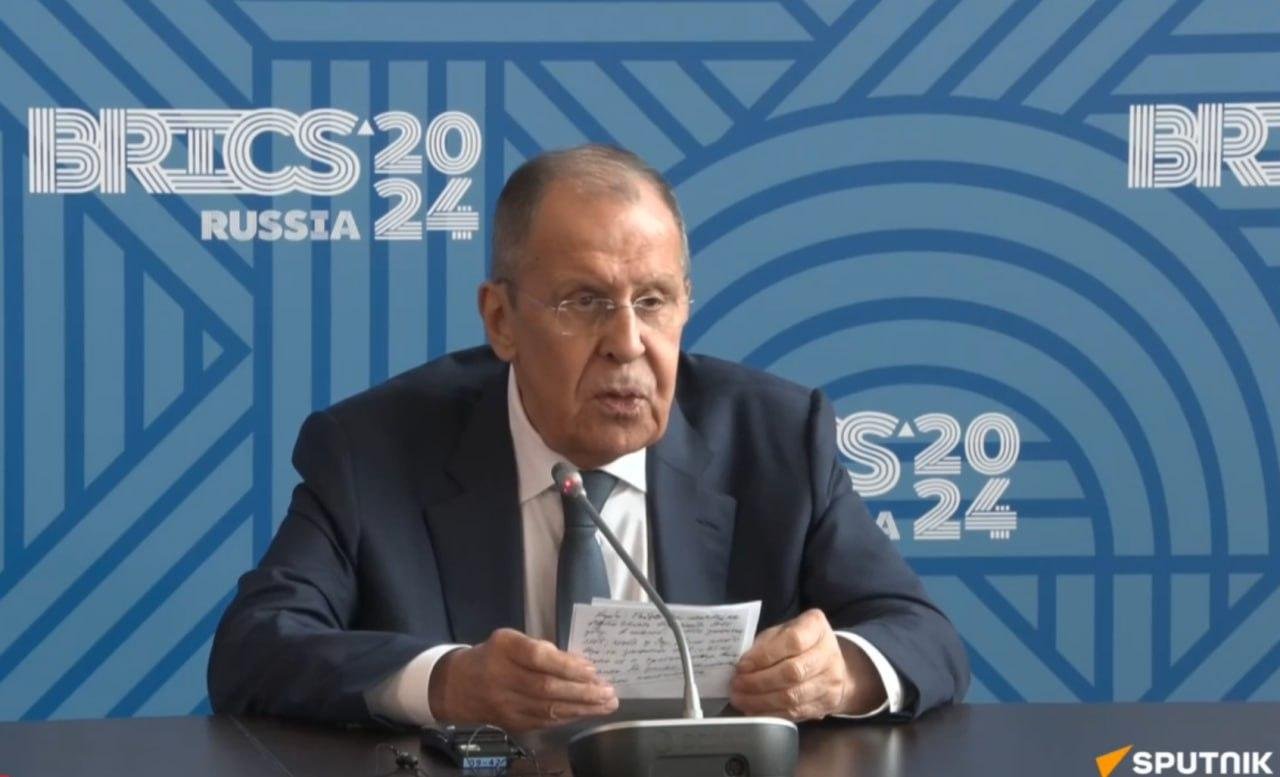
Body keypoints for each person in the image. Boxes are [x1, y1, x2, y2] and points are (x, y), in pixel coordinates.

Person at [208, 144, 969, 732]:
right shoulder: (373, 450)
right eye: (584, 302)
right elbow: (255, 648)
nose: (627, 343)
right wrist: (446, 682)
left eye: (654, 301)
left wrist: (843, 672)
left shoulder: (776, 440)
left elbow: (925, 636)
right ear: (501, 320)